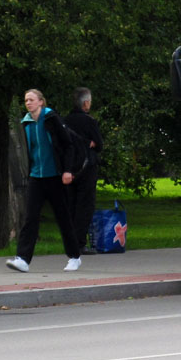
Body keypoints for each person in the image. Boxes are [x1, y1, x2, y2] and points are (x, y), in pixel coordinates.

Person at [6, 89, 83, 273]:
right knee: (30, 218)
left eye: (31, 100)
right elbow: (28, 151)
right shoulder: (26, 124)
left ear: (41, 102)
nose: (28, 103)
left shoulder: (51, 119)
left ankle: (74, 257)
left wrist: (67, 170)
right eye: (26, 100)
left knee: (63, 217)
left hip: (55, 176)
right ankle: (23, 259)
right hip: (36, 177)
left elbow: (68, 145)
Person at [65, 86, 103, 254]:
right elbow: (99, 144)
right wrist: (92, 143)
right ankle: (80, 243)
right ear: (86, 103)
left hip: (70, 168)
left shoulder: (65, 121)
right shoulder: (89, 121)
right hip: (87, 168)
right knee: (85, 205)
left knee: (71, 205)